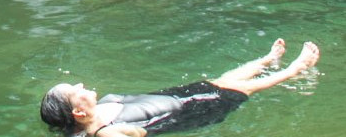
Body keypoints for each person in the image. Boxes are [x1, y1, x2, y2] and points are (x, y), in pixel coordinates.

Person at [40, 39, 320, 137]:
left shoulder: (102, 110)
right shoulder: (105, 132)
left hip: (175, 96)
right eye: (74, 90)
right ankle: (293, 70)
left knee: (217, 82)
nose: (80, 84)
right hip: (189, 113)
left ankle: (267, 61)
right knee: (240, 90)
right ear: (78, 112)